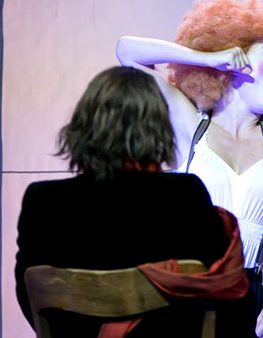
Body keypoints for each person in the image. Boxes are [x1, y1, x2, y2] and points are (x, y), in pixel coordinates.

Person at [115, 0, 263, 338]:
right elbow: (127, 52)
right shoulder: (191, 127)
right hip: (184, 294)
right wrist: (209, 58)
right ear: (234, 58)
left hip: (246, 293)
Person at [15, 66, 246, 338]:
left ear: (83, 127)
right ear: (159, 128)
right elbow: (227, 297)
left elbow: (30, 297)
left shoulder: (44, 202)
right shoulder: (185, 195)